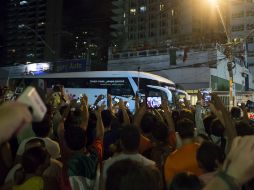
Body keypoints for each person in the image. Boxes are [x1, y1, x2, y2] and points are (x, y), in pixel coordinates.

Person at [164, 118, 203, 186]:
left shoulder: (171, 159)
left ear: (178, 135)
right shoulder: (205, 150)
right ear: (194, 132)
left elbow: (170, 185)